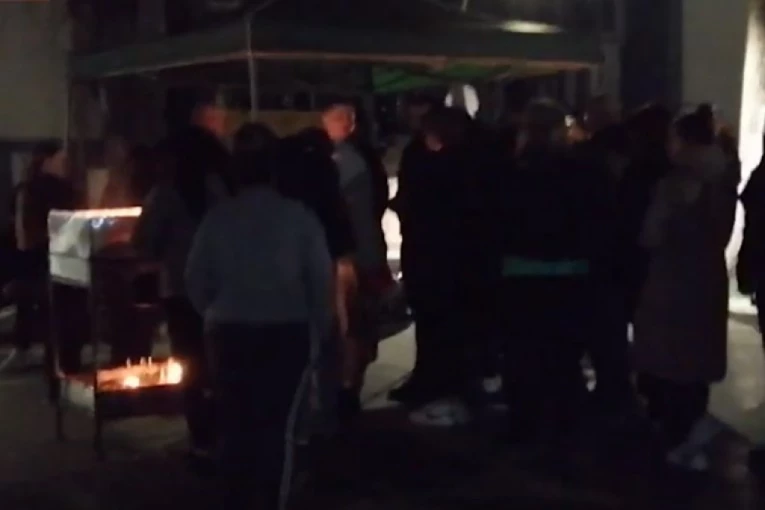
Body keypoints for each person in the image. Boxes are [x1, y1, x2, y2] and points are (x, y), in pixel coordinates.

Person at [184, 148, 334, 510]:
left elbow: (195, 278)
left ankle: (235, 497)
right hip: (286, 328)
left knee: (235, 421)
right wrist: (320, 328)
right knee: (277, 426)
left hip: (229, 331)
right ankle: (269, 500)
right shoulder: (298, 217)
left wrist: (213, 311)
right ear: (274, 176)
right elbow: (320, 279)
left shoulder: (218, 218)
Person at [496, 99, 606, 447]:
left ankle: (524, 424)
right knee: (563, 356)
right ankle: (563, 424)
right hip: (570, 275)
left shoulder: (511, 173)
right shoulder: (583, 172)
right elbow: (596, 224)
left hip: (519, 275)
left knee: (522, 355)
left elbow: (494, 225)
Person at [634, 104, 737, 471]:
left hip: (671, 278)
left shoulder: (674, 184)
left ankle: (677, 436)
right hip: (708, 277)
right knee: (696, 360)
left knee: (670, 359)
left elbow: (651, 235)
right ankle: (693, 428)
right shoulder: (723, 179)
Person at [133, 127, 230, 464]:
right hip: (223, 290)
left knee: (191, 365)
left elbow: (143, 242)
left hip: (180, 290)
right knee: (220, 364)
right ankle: (225, 434)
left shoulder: (166, 193)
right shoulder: (222, 188)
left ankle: (201, 441)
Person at [322, 104, 388, 419]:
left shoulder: (344, 160)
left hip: (352, 253)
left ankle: (348, 389)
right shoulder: (364, 156)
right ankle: (351, 387)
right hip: (363, 248)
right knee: (358, 323)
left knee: (350, 324)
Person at [1, 144, 77, 375]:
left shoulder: (54, 189)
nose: (65, 165)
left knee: (47, 306)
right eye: (60, 160)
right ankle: (46, 355)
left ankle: (39, 353)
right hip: (46, 255)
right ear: (46, 160)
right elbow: (24, 231)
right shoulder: (36, 190)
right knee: (46, 305)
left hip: (46, 255)